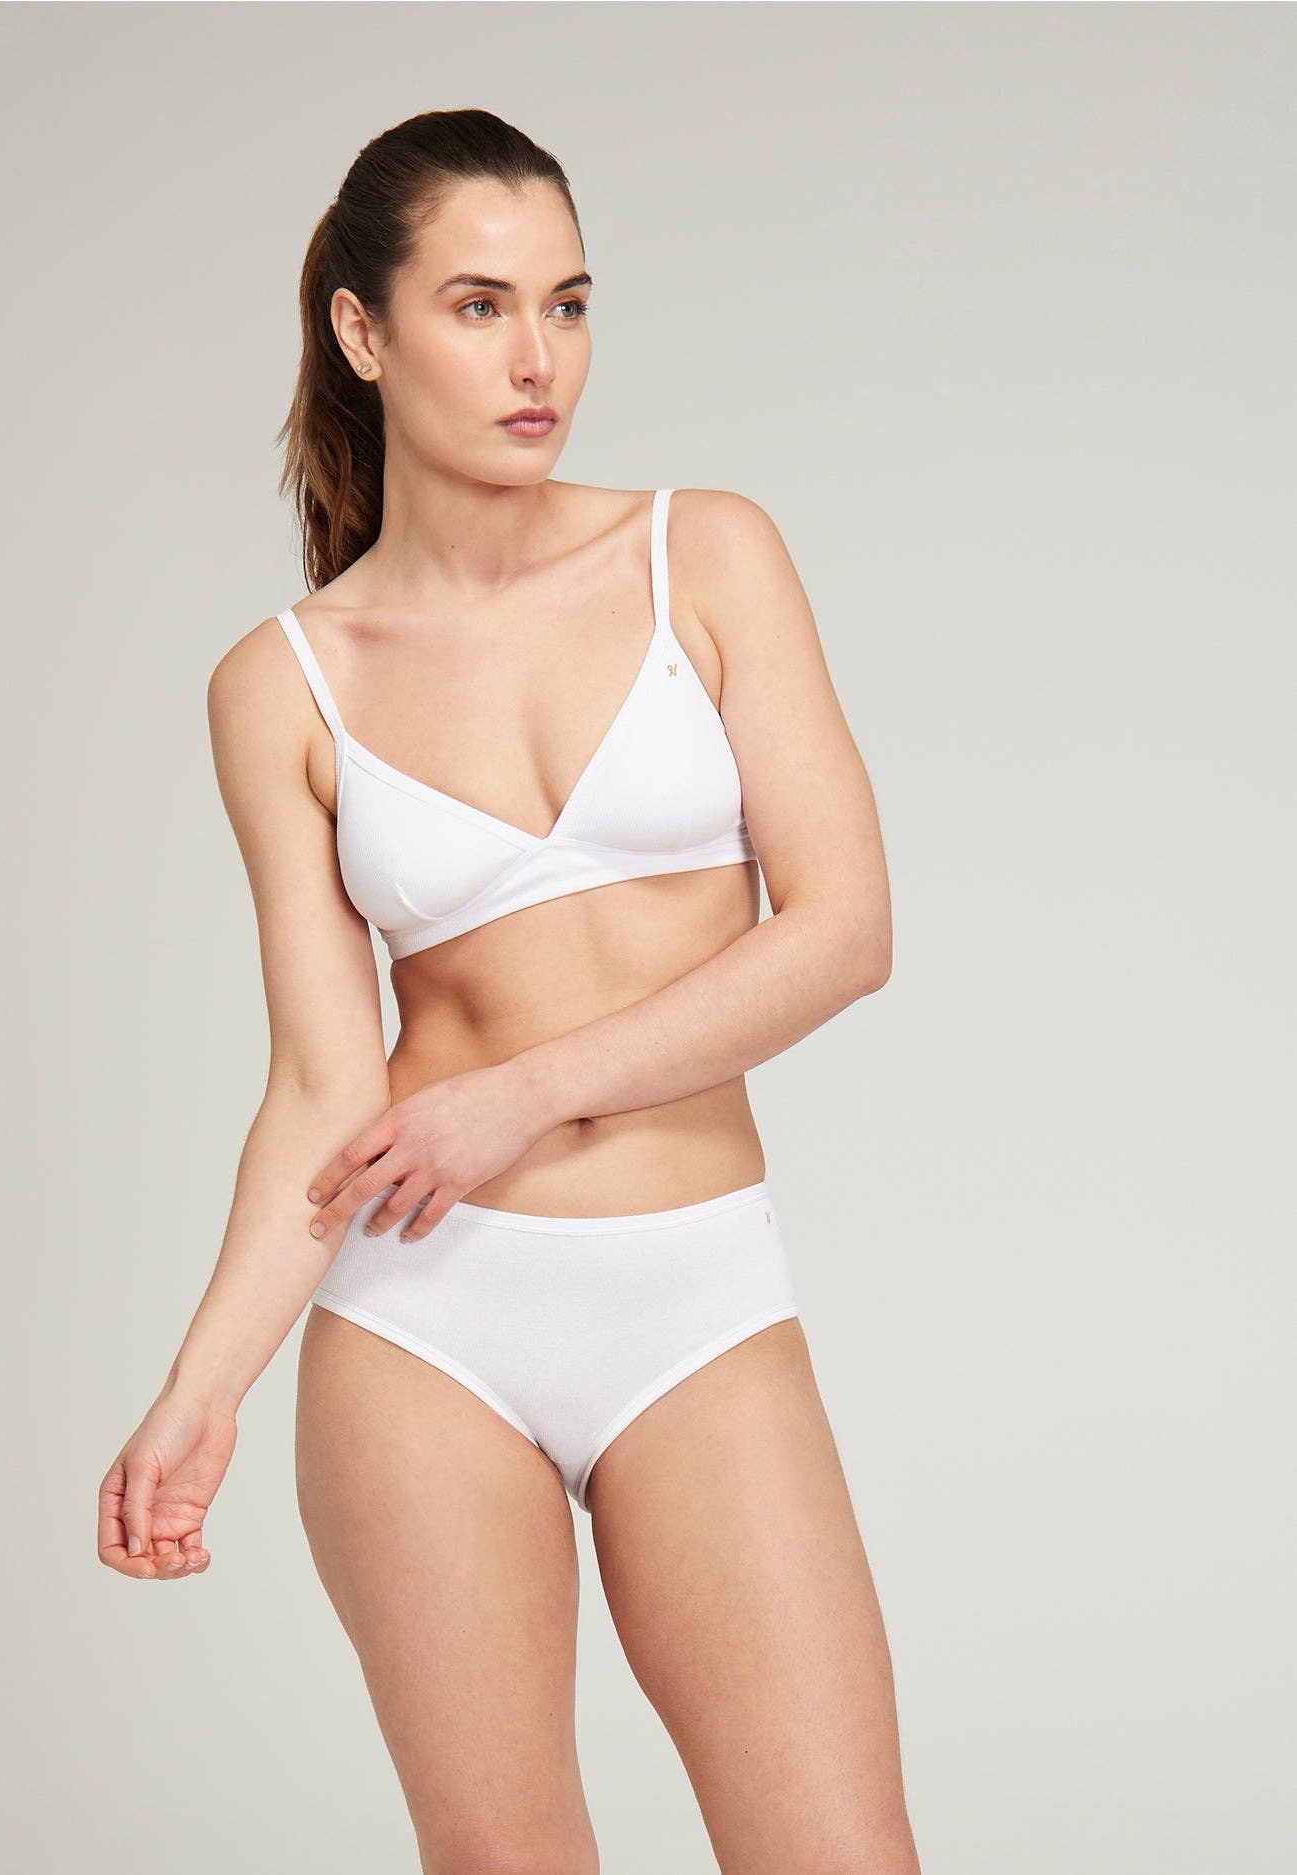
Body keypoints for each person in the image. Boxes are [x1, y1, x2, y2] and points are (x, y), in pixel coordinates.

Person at [98, 107, 917, 1875]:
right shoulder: (283, 683)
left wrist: (522, 1091)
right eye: (480, 307)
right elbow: (323, 1088)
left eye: (569, 303)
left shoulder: (705, 554)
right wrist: (202, 1388)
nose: (540, 359)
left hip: (691, 1289)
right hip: (421, 1323)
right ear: (363, 331)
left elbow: (844, 929)